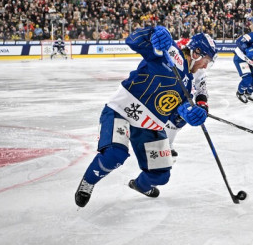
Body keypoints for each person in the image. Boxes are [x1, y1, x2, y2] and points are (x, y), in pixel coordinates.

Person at [74, 26, 218, 207]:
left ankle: (140, 185)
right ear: (196, 53)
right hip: (123, 110)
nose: (205, 66)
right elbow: (133, 40)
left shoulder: (190, 84)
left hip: (150, 125)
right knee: (114, 154)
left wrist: (189, 114)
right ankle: (89, 181)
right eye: (206, 60)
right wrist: (153, 33)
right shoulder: (171, 54)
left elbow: (177, 112)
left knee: (161, 175)